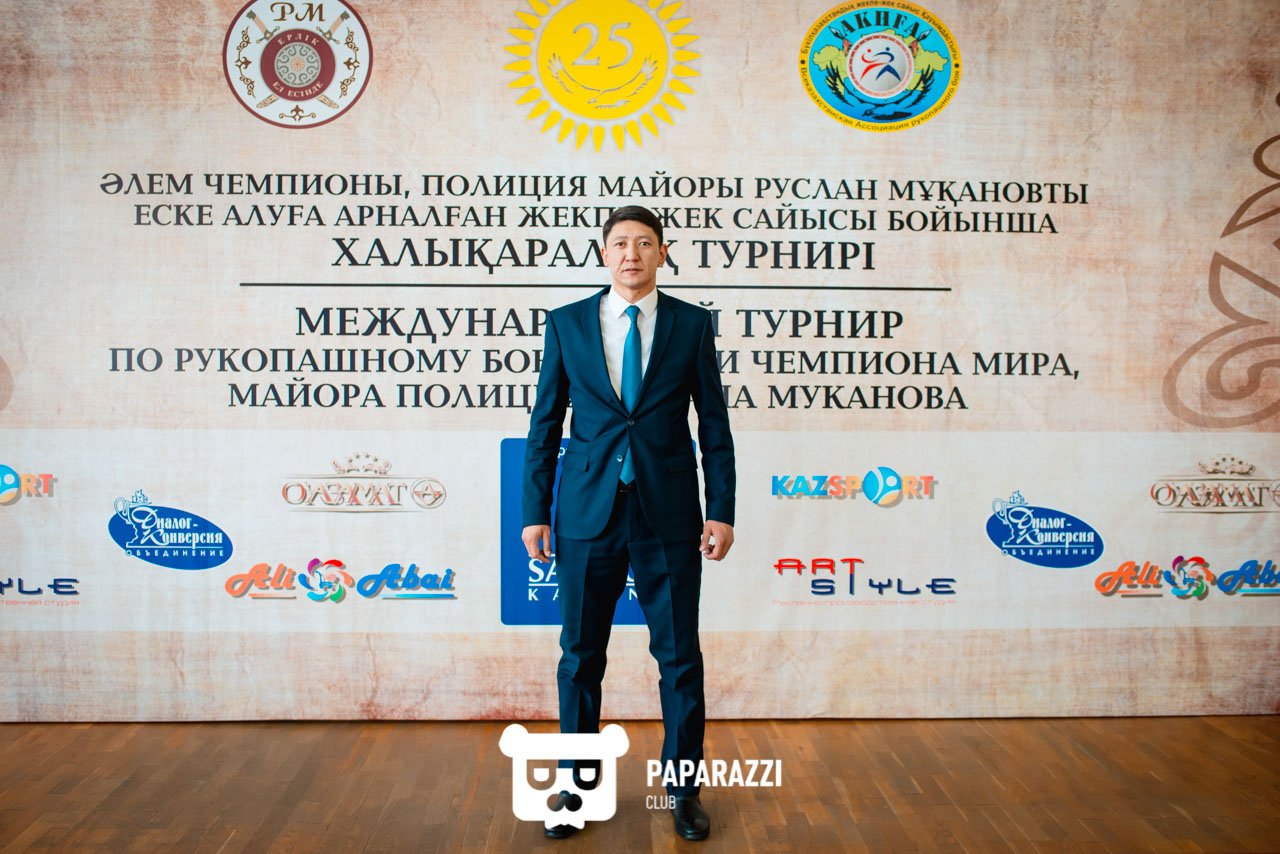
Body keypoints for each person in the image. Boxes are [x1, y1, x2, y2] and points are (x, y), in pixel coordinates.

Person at [521, 205, 736, 841]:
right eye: (620, 243)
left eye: (644, 243)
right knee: (580, 657)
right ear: (604, 254)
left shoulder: (691, 325)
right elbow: (544, 424)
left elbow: (713, 425)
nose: (631, 254)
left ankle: (684, 792)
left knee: (680, 657)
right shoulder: (567, 324)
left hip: (668, 514)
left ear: (662, 253)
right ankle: (577, 785)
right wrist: (534, 512)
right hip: (587, 513)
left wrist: (721, 508)